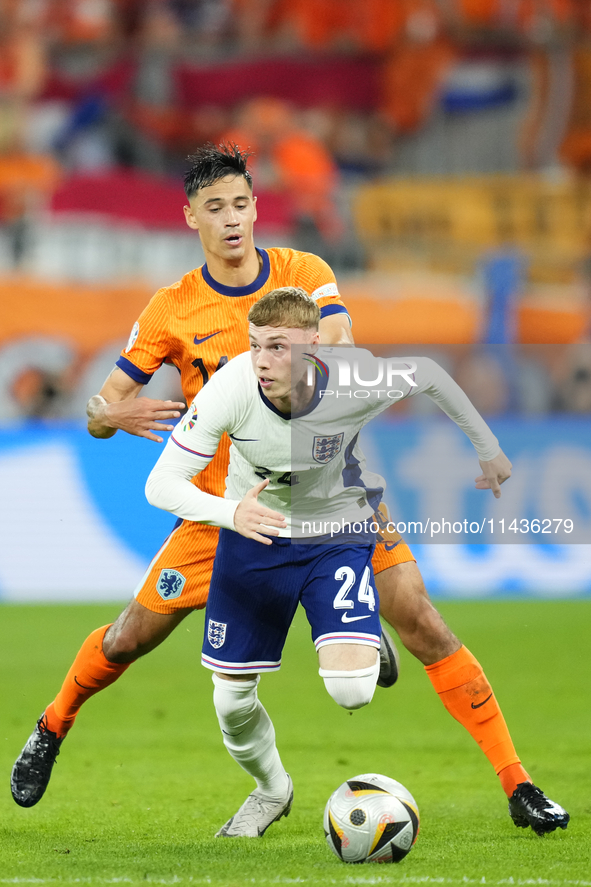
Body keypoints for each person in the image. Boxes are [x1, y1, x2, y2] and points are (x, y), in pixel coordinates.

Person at [11, 143, 569, 838]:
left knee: (423, 621)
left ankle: (517, 783)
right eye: (215, 208)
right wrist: (108, 413)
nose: (233, 219)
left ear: (254, 206)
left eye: (241, 203)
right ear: (191, 218)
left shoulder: (303, 274)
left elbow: (337, 335)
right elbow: (102, 408)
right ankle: (51, 726)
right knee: (129, 637)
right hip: (226, 514)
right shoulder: (171, 308)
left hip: (334, 495)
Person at [143, 285, 510, 838]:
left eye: (278, 347)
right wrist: (228, 513)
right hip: (254, 538)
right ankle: (272, 790)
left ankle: (361, 633)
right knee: (231, 705)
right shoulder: (231, 388)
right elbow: (160, 485)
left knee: (353, 691)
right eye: (256, 345)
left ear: (314, 345)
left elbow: (431, 374)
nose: (263, 360)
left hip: (334, 532)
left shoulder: (352, 378)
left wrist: (488, 448)